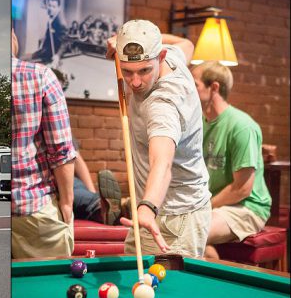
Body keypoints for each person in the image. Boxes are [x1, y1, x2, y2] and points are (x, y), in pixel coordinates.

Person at [105, 20, 211, 257]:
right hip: (155, 212)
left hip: (172, 220)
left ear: (160, 57)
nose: (135, 82)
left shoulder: (163, 105)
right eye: (127, 71)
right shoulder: (173, 56)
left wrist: (147, 206)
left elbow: (161, 163)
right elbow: (187, 43)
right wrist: (129, 41)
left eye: (144, 71)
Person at [191, 61, 272, 260]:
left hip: (247, 208)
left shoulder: (242, 126)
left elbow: (242, 189)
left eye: (194, 84)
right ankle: (213, 271)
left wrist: (203, 207)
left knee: (191, 232)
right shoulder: (199, 124)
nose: (187, 89)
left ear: (214, 87)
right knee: (178, 230)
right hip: (215, 206)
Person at [11, 29, 77, 260]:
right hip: (33, 206)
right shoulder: (40, 76)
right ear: (13, 37)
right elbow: (61, 150)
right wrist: (67, 203)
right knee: (51, 280)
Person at [30, 0, 67, 67]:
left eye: (54, 6)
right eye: (49, 5)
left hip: (53, 55)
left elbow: (65, 42)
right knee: (24, 59)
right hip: (45, 50)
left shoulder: (61, 22)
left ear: (58, 8)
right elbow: (43, 5)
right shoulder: (52, 14)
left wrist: (57, 56)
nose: (51, 8)